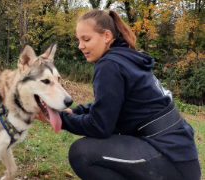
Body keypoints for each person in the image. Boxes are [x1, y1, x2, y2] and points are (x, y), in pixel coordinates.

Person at [36, 9, 201, 180]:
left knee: (82, 153)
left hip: (168, 158)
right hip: (180, 156)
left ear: (107, 36)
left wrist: (62, 120)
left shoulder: (110, 65)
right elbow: (108, 105)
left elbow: (99, 126)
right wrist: (75, 112)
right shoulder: (125, 57)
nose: (80, 46)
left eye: (86, 39)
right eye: (79, 40)